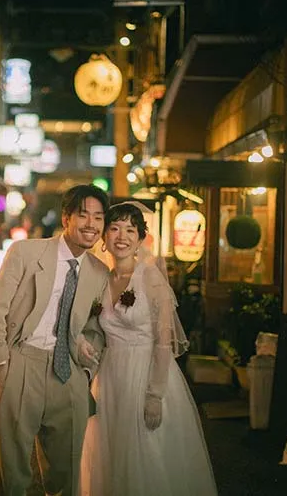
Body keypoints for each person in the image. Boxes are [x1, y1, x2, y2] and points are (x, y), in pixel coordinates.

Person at [0, 184, 110, 496]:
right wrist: (1, 363)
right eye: (83, 215)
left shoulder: (99, 272)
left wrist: (87, 371)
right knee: (13, 472)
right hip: (21, 364)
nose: (91, 224)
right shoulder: (26, 252)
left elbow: (96, 328)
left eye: (98, 217)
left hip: (70, 375)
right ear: (66, 218)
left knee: (68, 472)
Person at [80, 201, 217, 496]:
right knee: (112, 450)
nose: (121, 236)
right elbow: (94, 331)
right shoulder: (102, 280)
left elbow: (163, 342)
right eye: (114, 228)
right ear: (104, 238)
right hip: (109, 378)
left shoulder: (151, 279)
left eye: (130, 230)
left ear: (141, 238)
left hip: (146, 374)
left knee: (147, 452)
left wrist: (155, 394)